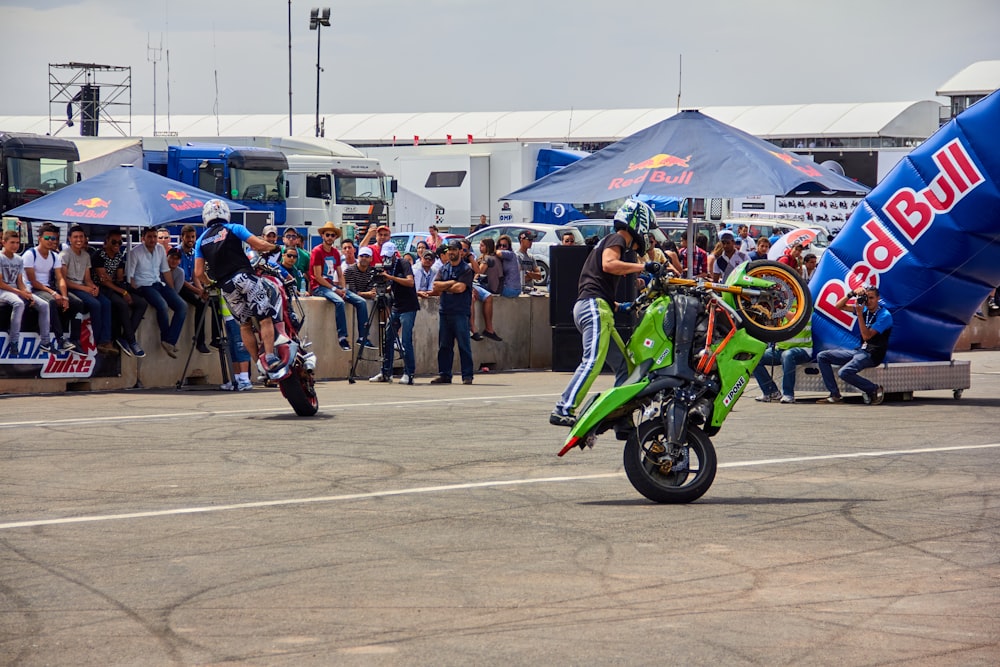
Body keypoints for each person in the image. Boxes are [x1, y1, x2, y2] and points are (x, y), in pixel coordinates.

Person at [551, 199, 657, 426]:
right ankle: (563, 408)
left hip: (599, 307)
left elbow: (599, 279)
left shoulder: (612, 242)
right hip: (594, 308)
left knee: (626, 368)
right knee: (592, 361)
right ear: (638, 223)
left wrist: (621, 305)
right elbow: (609, 265)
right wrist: (644, 267)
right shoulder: (616, 238)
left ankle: (621, 420)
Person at [193, 199, 286, 372]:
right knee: (264, 318)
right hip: (245, 278)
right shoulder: (234, 228)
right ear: (226, 213)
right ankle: (270, 356)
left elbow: (198, 273)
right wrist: (274, 247)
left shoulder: (201, 241)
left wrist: (211, 283)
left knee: (244, 325)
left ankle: (259, 363)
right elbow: (257, 244)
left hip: (226, 286)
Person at [816, 285, 891, 405]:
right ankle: (835, 394)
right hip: (860, 351)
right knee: (822, 356)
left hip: (873, 354)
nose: (869, 301)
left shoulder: (884, 315)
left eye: (872, 298)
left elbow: (867, 336)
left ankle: (874, 389)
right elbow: (838, 306)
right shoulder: (864, 309)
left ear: (878, 298)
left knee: (844, 372)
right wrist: (851, 293)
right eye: (867, 298)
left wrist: (860, 314)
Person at [127, 226, 187, 358]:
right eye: (150, 237)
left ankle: (170, 341)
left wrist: (172, 293)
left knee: (182, 306)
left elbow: (166, 272)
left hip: (159, 283)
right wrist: (133, 292)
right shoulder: (135, 252)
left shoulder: (160, 249)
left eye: (155, 236)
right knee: (162, 305)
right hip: (144, 286)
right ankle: (165, 338)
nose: (153, 239)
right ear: (143, 238)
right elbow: (129, 277)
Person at [60, 224, 115, 354]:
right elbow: (64, 281)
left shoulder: (86, 255)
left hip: (83, 287)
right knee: (95, 305)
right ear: (70, 239)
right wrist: (85, 289)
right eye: (75, 237)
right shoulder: (64, 255)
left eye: (81, 237)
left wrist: (93, 288)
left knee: (106, 303)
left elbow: (88, 279)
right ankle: (99, 341)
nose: (79, 239)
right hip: (71, 288)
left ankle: (106, 339)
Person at [92, 228, 147, 357]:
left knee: (142, 303)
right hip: (102, 289)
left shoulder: (119, 256)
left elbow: (119, 277)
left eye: (119, 242)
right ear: (106, 242)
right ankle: (132, 340)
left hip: (116, 286)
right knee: (122, 304)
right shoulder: (98, 255)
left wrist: (118, 286)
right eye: (114, 242)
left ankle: (125, 337)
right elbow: (103, 281)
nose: (117, 245)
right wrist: (122, 291)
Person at [22, 222, 75, 353]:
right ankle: (60, 339)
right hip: (31, 289)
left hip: (46, 288)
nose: (51, 241)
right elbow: (33, 281)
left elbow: (60, 278)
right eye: (47, 238)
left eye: (53, 238)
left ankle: (75, 339)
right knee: (51, 301)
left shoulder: (54, 256)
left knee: (76, 303)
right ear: (39, 238)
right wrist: (53, 293)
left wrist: (64, 296)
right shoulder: (30, 254)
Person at [370, 242, 418, 385]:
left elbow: (410, 282)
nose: (386, 259)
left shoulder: (403, 263)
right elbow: (394, 285)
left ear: (394, 255)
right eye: (384, 256)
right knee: (388, 338)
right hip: (396, 306)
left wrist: (391, 278)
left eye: (388, 257)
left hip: (408, 307)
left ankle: (409, 373)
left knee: (406, 341)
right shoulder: (387, 267)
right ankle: (386, 372)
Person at [430, 239, 475, 385]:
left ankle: (467, 375)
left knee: (464, 345)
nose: (451, 253)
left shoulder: (466, 269)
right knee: (444, 346)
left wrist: (445, 286)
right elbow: (436, 286)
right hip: (445, 311)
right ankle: (445, 374)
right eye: (449, 250)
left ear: (460, 252)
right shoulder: (444, 268)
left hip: (460, 312)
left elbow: (460, 288)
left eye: (454, 250)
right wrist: (451, 283)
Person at [310, 222, 359, 351]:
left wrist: (342, 288)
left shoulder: (336, 253)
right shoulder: (317, 251)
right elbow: (318, 277)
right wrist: (335, 290)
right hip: (319, 287)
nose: (330, 237)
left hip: (332, 286)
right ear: (322, 236)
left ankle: (363, 336)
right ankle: (342, 337)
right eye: (328, 235)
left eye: (333, 235)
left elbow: (340, 274)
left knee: (360, 301)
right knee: (339, 302)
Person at [0, 230, 44, 357]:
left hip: (14, 289)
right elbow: (1, 284)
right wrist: (20, 293)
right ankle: (14, 340)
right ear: (4, 242)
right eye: (12, 242)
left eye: (17, 242)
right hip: (2, 290)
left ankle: (45, 341)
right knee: (19, 303)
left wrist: (27, 293)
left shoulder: (19, 259)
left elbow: (20, 281)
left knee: (43, 304)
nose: (15, 245)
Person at [752, 317, 813, 403]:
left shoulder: (804, 307)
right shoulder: (781, 309)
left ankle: (788, 394)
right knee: (756, 358)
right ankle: (771, 392)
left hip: (802, 350)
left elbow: (795, 319)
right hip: (780, 349)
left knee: (787, 355)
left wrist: (783, 310)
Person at [177, 225, 214, 354]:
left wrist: (201, 290)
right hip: (180, 286)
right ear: (182, 237)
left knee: (213, 301)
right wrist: (198, 291)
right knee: (200, 305)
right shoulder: (177, 253)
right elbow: (182, 280)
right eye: (188, 237)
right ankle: (199, 341)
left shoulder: (194, 253)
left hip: (192, 284)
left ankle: (215, 338)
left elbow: (195, 274)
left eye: (193, 237)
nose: (191, 240)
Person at [463, 239, 501, 342]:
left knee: (488, 297)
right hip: (465, 286)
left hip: (474, 284)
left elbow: (478, 272)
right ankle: (473, 329)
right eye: (461, 249)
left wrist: (470, 258)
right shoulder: (455, 259)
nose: (463, 251)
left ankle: (489, 329)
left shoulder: (473, 258)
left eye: (465, 249)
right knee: (470, 298)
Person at [343, 247, 377, 348]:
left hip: (364, 296)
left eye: (367, 256)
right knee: (361, 302)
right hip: (349, 295)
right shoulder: (349, 270)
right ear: (358, 257)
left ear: (371, 259)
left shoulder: (373, 271)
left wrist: (370, 293)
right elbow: (351, 291)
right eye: (362, 256)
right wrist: (366, 294)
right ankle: (363, 337)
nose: (364, 258)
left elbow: (373, 289)